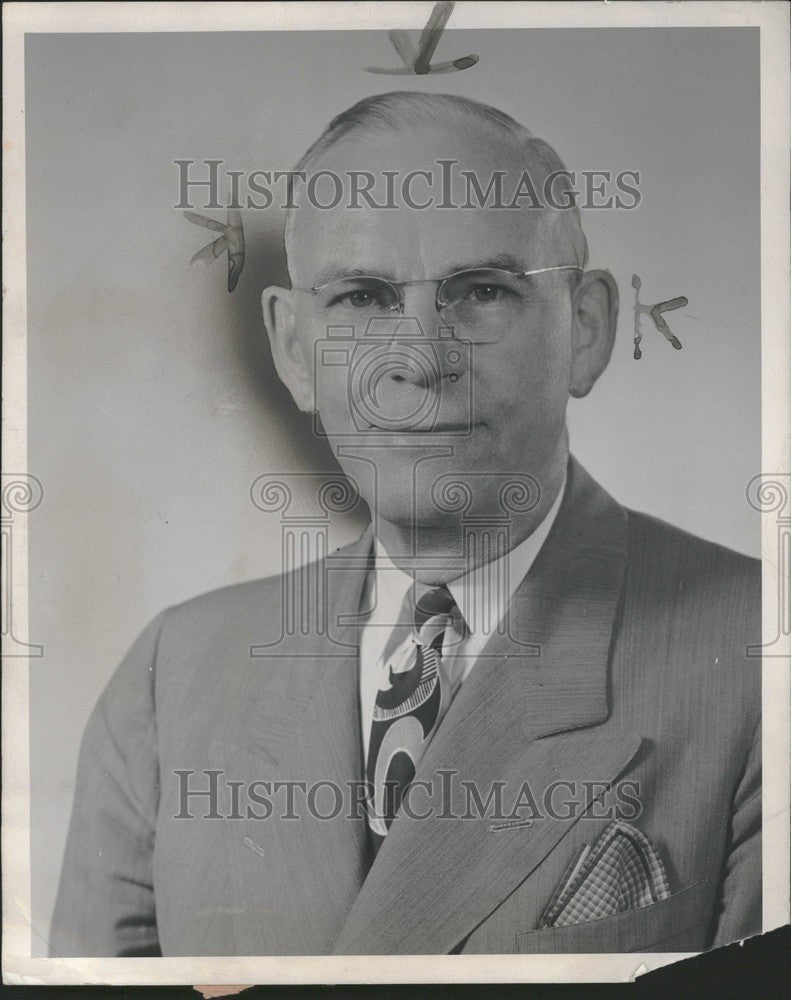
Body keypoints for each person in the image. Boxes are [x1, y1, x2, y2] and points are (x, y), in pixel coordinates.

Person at [51, 92, 760, 956]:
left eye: (484, 291)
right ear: (291, 349)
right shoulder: (173, 675)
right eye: (361, 298)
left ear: (585, 327)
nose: (421, 358)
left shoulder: (759, 660)